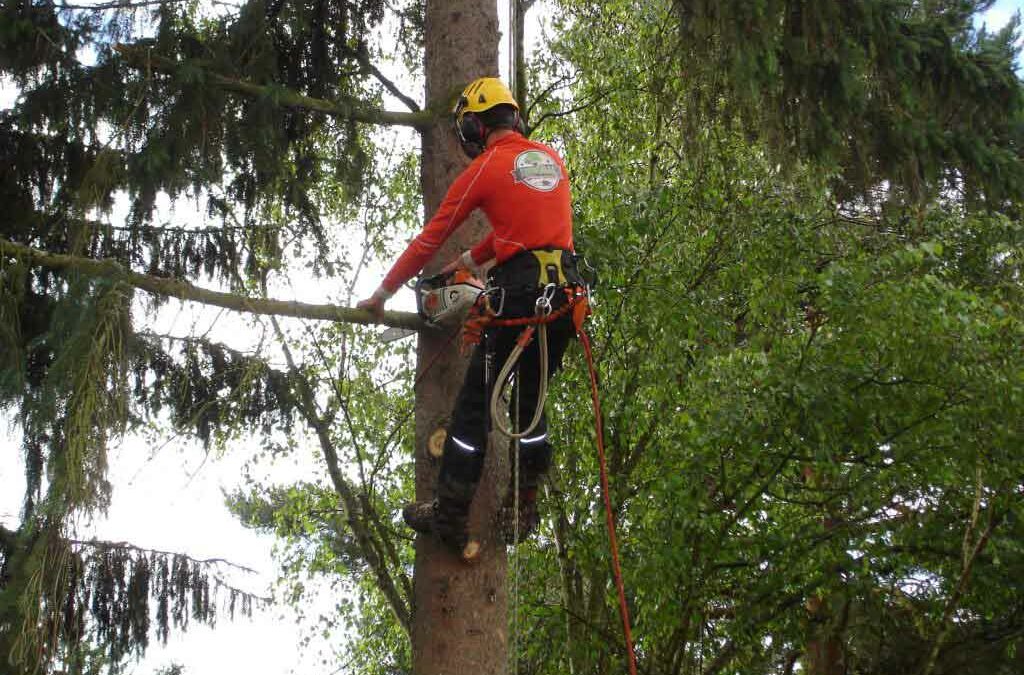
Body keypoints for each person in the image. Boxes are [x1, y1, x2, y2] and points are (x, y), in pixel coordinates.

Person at [357, 76, 581, 555]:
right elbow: (534, 229)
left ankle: (451, 513)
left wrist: (383, 292)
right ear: (514, 118)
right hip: (562, 299)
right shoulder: (550, 160)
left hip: (519, 299)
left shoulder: (487, 168)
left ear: (476, 125)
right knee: (531, 404)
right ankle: (525, 501)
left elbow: (429, 239)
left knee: (474, 407)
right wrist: (476, 260)